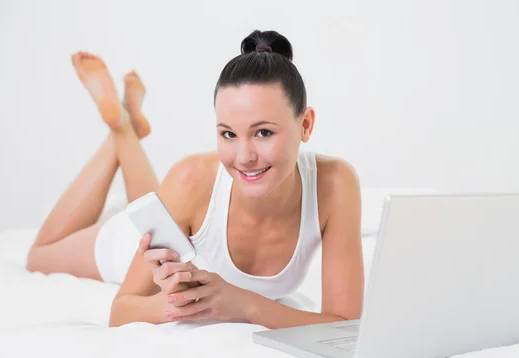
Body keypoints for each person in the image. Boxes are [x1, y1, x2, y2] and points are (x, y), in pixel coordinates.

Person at [27, 30, 364, 329]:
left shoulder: (335, 185)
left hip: (176, 214)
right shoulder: (192, 179)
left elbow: (345, 324)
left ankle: (127, 122)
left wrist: (244, 304)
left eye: (263, 132)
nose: (244, 156)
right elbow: (121, 311)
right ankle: (121, 128)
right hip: (133, 241)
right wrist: (175, 305)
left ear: (305, 125)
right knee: (38, 256)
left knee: (154, 200)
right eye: (229, 134)